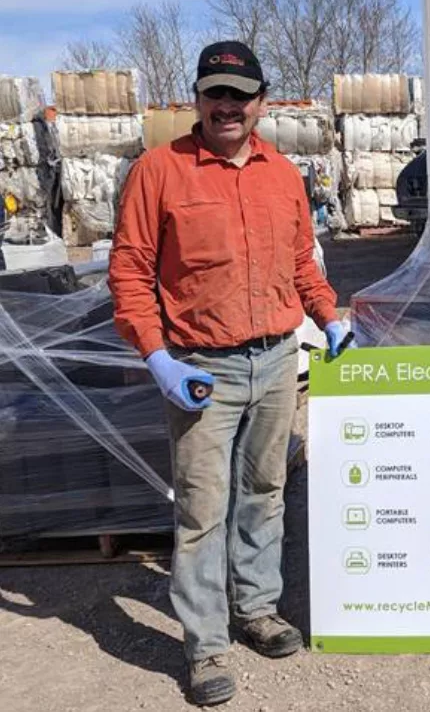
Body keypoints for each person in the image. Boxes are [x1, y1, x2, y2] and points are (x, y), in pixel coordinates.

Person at [109, 41, 353, 705]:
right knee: (201, 512)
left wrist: (329, 315)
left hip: (278, 360)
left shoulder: (282, 174)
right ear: (197, 99)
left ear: (261, 102)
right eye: (215, 93)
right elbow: (130, 272)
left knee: (265, 490)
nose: (227, 106)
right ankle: (207, 647)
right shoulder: (158, 173)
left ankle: (256, 610)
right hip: (200, 369)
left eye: (239, 95)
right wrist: (156, 356)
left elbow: (303, 261)